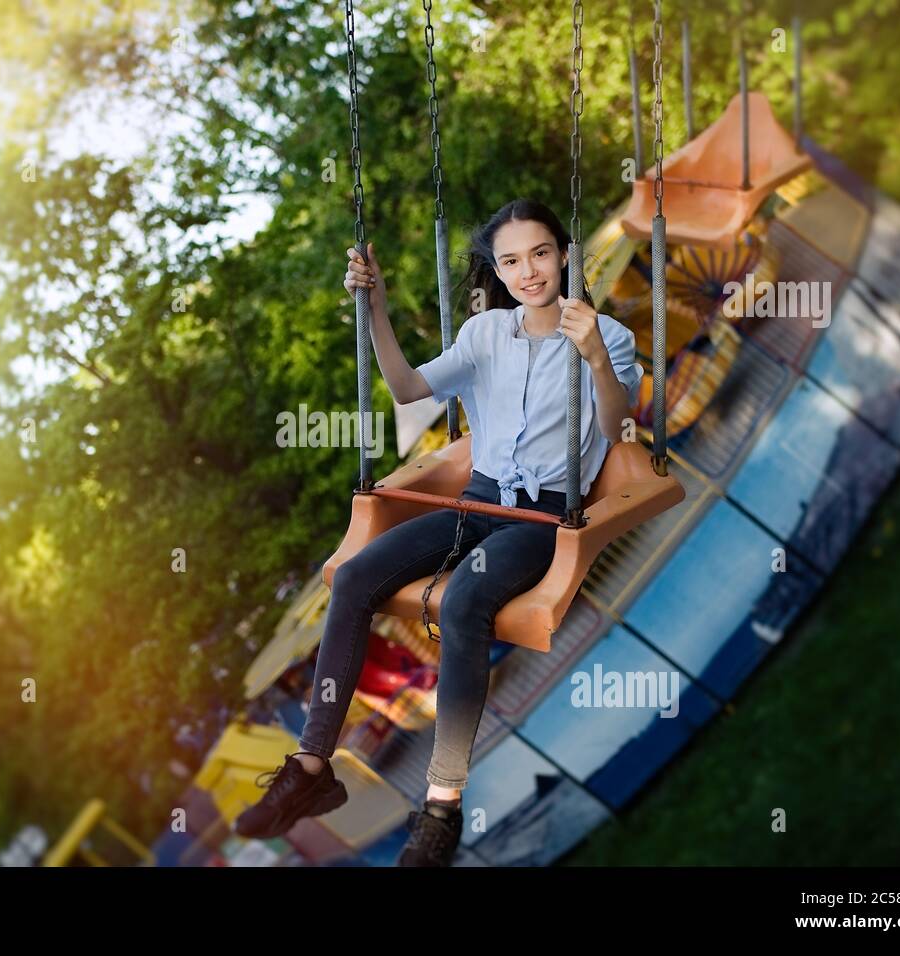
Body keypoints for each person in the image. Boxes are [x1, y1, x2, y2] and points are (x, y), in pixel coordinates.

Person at [233, 198, 643, 866]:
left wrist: (594, 354)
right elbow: (405, 389)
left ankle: (441, 807)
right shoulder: (487, 335)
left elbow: (614, 428)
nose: (528, 271)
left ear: (564, 254)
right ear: (499, 271)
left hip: (542, 516)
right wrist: (376, 310)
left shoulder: (607, 336)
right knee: (357, 575)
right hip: (478, 501)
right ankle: (311, 769)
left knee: (464, 602)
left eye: (540, 253)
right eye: (510, 261)